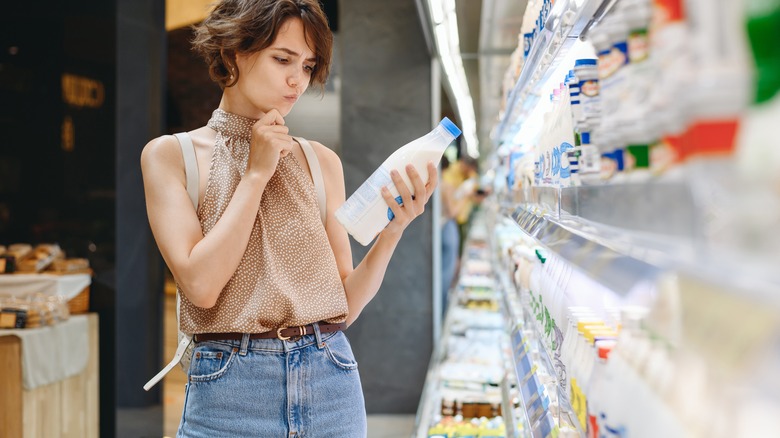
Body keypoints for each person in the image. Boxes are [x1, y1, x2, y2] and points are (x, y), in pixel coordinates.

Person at [140, 1, 438, 436]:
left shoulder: (320, 162)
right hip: (229, 393)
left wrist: (394, 230)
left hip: (330, 379)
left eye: (308, 64)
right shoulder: (172, 156)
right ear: (232, 52)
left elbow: (344, 306)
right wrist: (257, 173)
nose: (297, 80)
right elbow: (201, 287)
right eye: (282, 59)